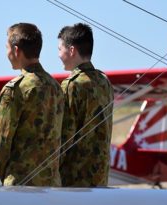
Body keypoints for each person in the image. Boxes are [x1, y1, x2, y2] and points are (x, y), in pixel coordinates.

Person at [0, 23, 64, 186]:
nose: (7, 53)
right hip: (52, 185)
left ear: (16, 50)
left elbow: (1, 143)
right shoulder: (56, 87)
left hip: (21, 187)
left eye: (7, 47)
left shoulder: (15, 89)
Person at [57, 23, 114, 187]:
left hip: (75, 179)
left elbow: (65, 136)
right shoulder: (104, 81)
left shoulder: (72, 85)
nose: (58, 55)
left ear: (72, 50)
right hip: (100, 177)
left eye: (60, 49)